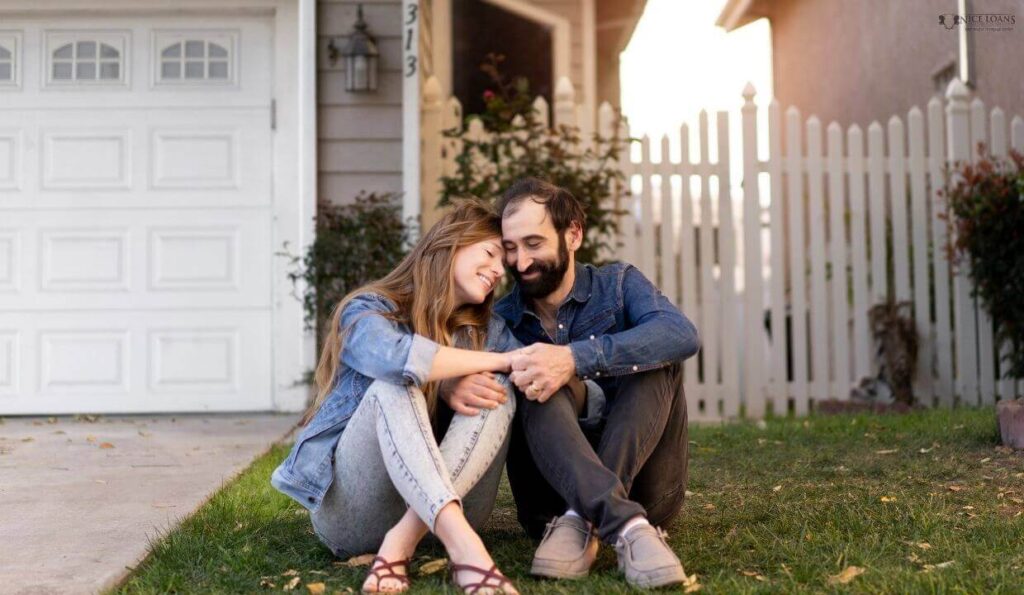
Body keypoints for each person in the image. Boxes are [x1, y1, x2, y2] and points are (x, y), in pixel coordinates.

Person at [271, 200, 521, 594]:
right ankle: (469, 552)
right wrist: (456, 380)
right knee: (394, 382)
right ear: (450, 243)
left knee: (498, 384)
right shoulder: (368, 310)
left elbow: (532, 375)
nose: (496, 271)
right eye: (490, 253)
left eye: (502, 267)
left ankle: (403, 542)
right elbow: (395, 360)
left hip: (455, 504)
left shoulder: (491, 332)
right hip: (356, 514)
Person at [492, 177, 700, 589]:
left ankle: (580, 518)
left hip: (649, 492)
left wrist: (573, 358)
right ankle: (625, 526)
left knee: (654, 360)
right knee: (533, 374)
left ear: (573, 235)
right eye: (511, 248)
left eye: (534, 244)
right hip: (546, 507)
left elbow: (681, 335)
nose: (520, 262)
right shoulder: (502, 319)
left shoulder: (619, 285)